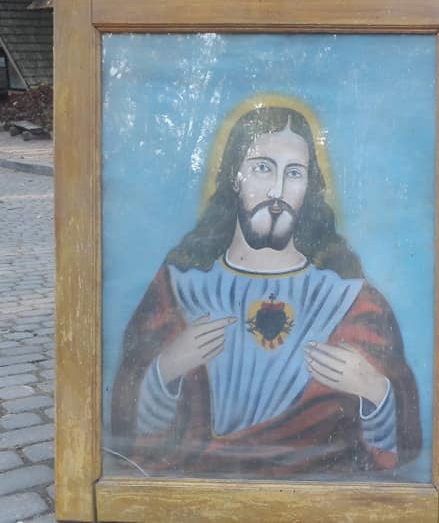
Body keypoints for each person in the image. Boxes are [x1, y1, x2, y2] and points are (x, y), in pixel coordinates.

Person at [110, 103, 421, 477]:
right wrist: (167, 368)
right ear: (235, 177)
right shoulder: (180, 288)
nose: (278, 190)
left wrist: (374, 390)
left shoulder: (351, 300)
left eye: (294, 173)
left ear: (308, 187)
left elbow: (393, 450)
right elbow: (132, 437)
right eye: (262, 168)